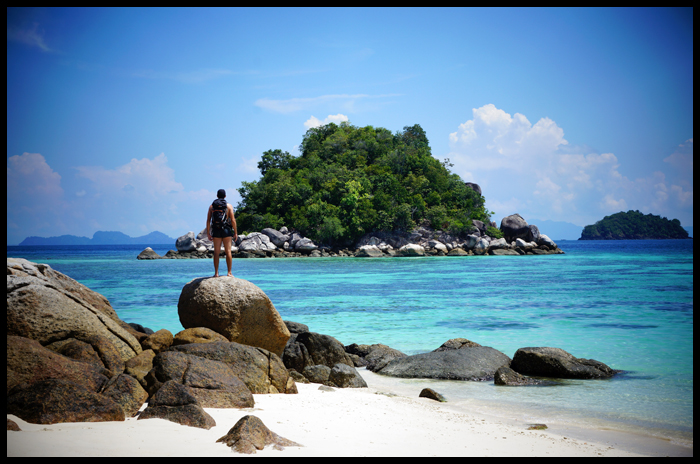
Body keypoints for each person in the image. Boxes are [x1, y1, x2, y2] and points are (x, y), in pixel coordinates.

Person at [206, 189, 238, 277]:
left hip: (216, 230)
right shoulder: (229, 206)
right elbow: (233, 220)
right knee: (228, 251)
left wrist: (208, 233)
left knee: (216, 252)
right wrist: (235, 232)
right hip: (226, 230)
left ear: (217, 196)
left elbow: (208, 220)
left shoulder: (211, 207)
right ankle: (229, 272)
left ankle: (216, 273)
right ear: (225, 196)